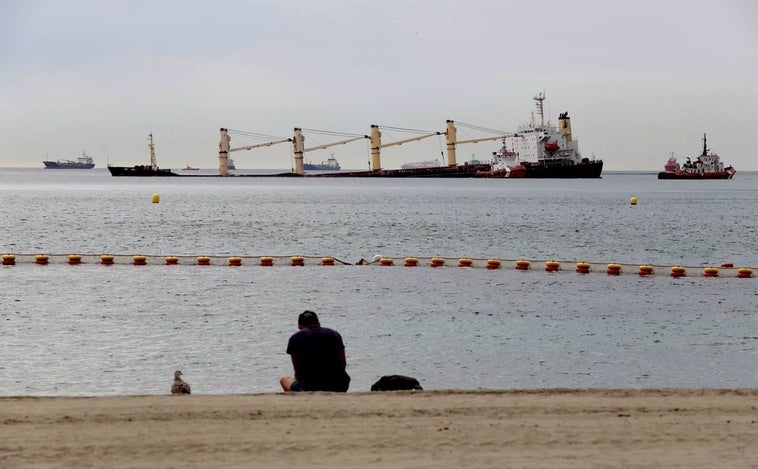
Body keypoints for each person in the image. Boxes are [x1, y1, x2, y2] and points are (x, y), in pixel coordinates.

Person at [280, 310, 350, 392]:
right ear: (319, 323)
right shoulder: (334, 334)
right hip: (340, 385)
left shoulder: (295, 338)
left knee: (284, 380)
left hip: (310, 387)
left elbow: (297, 371)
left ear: (300, 326)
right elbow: (343, 363)